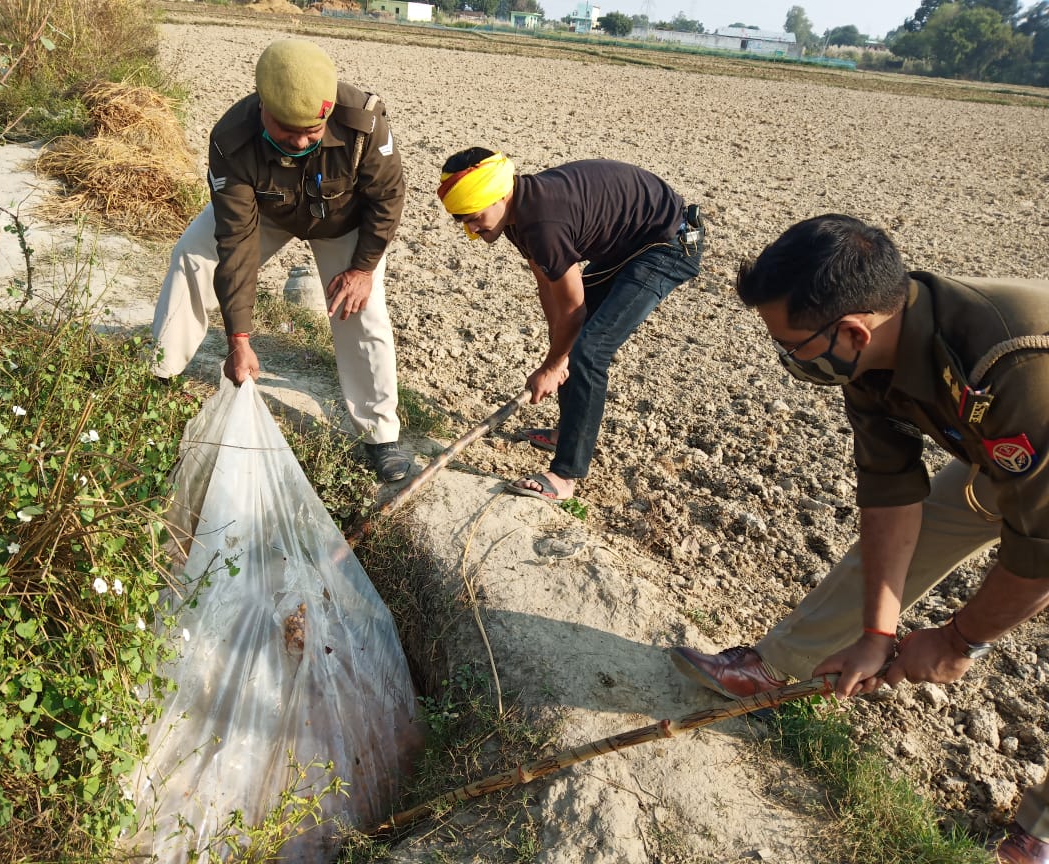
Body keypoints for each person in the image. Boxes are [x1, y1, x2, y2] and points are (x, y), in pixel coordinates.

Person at [669, 214, 1049, 863]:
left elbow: (1040, 553)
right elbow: (890, 492)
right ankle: (782, 667)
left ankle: (1041, 833)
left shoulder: (1008, 364)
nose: (788, 360)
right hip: (1009, 454)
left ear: (850, 330)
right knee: (936, 514)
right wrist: (879, 635)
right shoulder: (873, 352)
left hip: (1034, 436)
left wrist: (959, 641)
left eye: (792, 346)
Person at [150, 39, 411, 483]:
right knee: (194, 259)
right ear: (262, 107)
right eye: (290, 130)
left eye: (314, 131)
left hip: (342, 221)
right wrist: (239, 339)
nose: (304, 140)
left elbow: (388, 197)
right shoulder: (232, 140)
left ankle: (380, 436)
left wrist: (363, 270)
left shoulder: (363, 123)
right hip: (264, 212)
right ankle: (158, 374)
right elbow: (234, 240)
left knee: (362, 312)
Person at [436, 149, 703, 501]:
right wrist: (556, 348)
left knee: (589, 349)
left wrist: (554, 363)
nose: (471, 229)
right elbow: (547, 284)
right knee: (571, 342)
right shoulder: (517, 215)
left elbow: (575, 311)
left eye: (474, 216)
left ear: (498, 195)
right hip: (632, 245)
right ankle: (568, 433)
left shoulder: (544, 223)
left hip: (668, 244)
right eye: (462, 221)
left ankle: (565, 477)